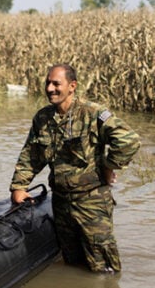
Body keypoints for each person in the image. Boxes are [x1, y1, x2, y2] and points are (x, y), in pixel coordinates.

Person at [10, 64, 140, 273]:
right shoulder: (43, 118)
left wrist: (109, 166)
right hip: (61, 202)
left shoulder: (92, 113)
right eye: (48, 83)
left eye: (56, 84)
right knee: (72, 262)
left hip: (91, 201)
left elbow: (129, 140)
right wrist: (18, 186)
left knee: (103, 267)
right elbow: (31, 155)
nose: (50, 89)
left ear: (72, 86)